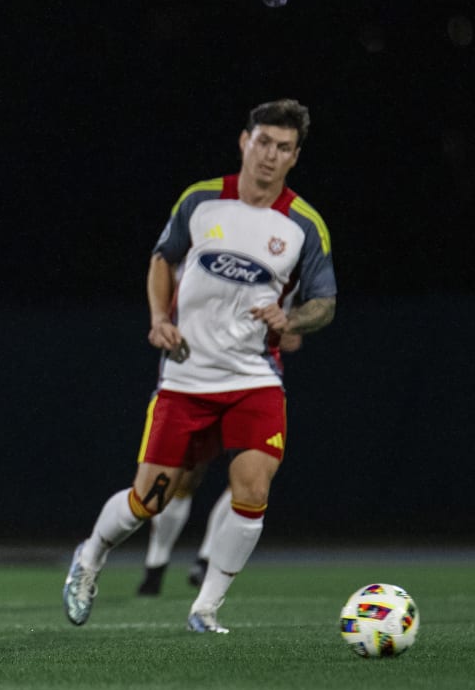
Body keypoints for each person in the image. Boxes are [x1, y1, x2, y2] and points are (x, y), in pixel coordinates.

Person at [63, 99, 336, 633]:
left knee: (253, 487)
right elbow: (162, 258)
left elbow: (325, 303)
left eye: (283, 148)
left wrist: (291, 318)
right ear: (244, 141)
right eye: (263, 142)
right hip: (187, 377)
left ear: (295, 156)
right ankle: (89, 557)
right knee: (148, 500)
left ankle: (205, 607)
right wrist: (159, 318)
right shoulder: (201, 200)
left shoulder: (305, 224)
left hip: (254, 377)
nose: (270, 155)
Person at [136, 331, 302, 597]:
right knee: (183, 477)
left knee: (252, 478)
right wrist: (160, 320)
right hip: (200, 379)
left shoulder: (284, 288)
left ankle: (204, 561)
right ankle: (155, 565)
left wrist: (295, 322)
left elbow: (317, 304)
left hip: (253, 382)